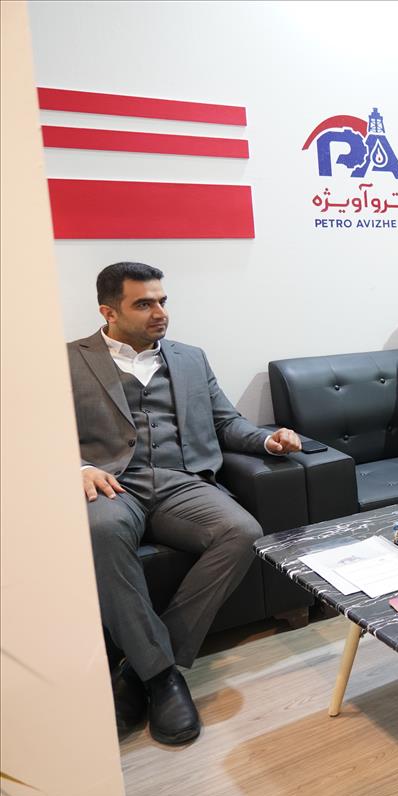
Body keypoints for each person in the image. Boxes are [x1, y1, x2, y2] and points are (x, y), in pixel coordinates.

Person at [69, 262, 301, 745]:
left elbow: (226, 423)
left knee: (242, 532)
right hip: (114, 485)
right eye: (143, 304)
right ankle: (163, 678)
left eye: (162, 301)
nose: (160, 312)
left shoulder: (191, 358)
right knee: (100, 531)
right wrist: (77, 467)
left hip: (182, 482)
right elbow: (32, 432)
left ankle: (141, 669)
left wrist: (268, 440)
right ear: (108, 312)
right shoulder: (68, 360)